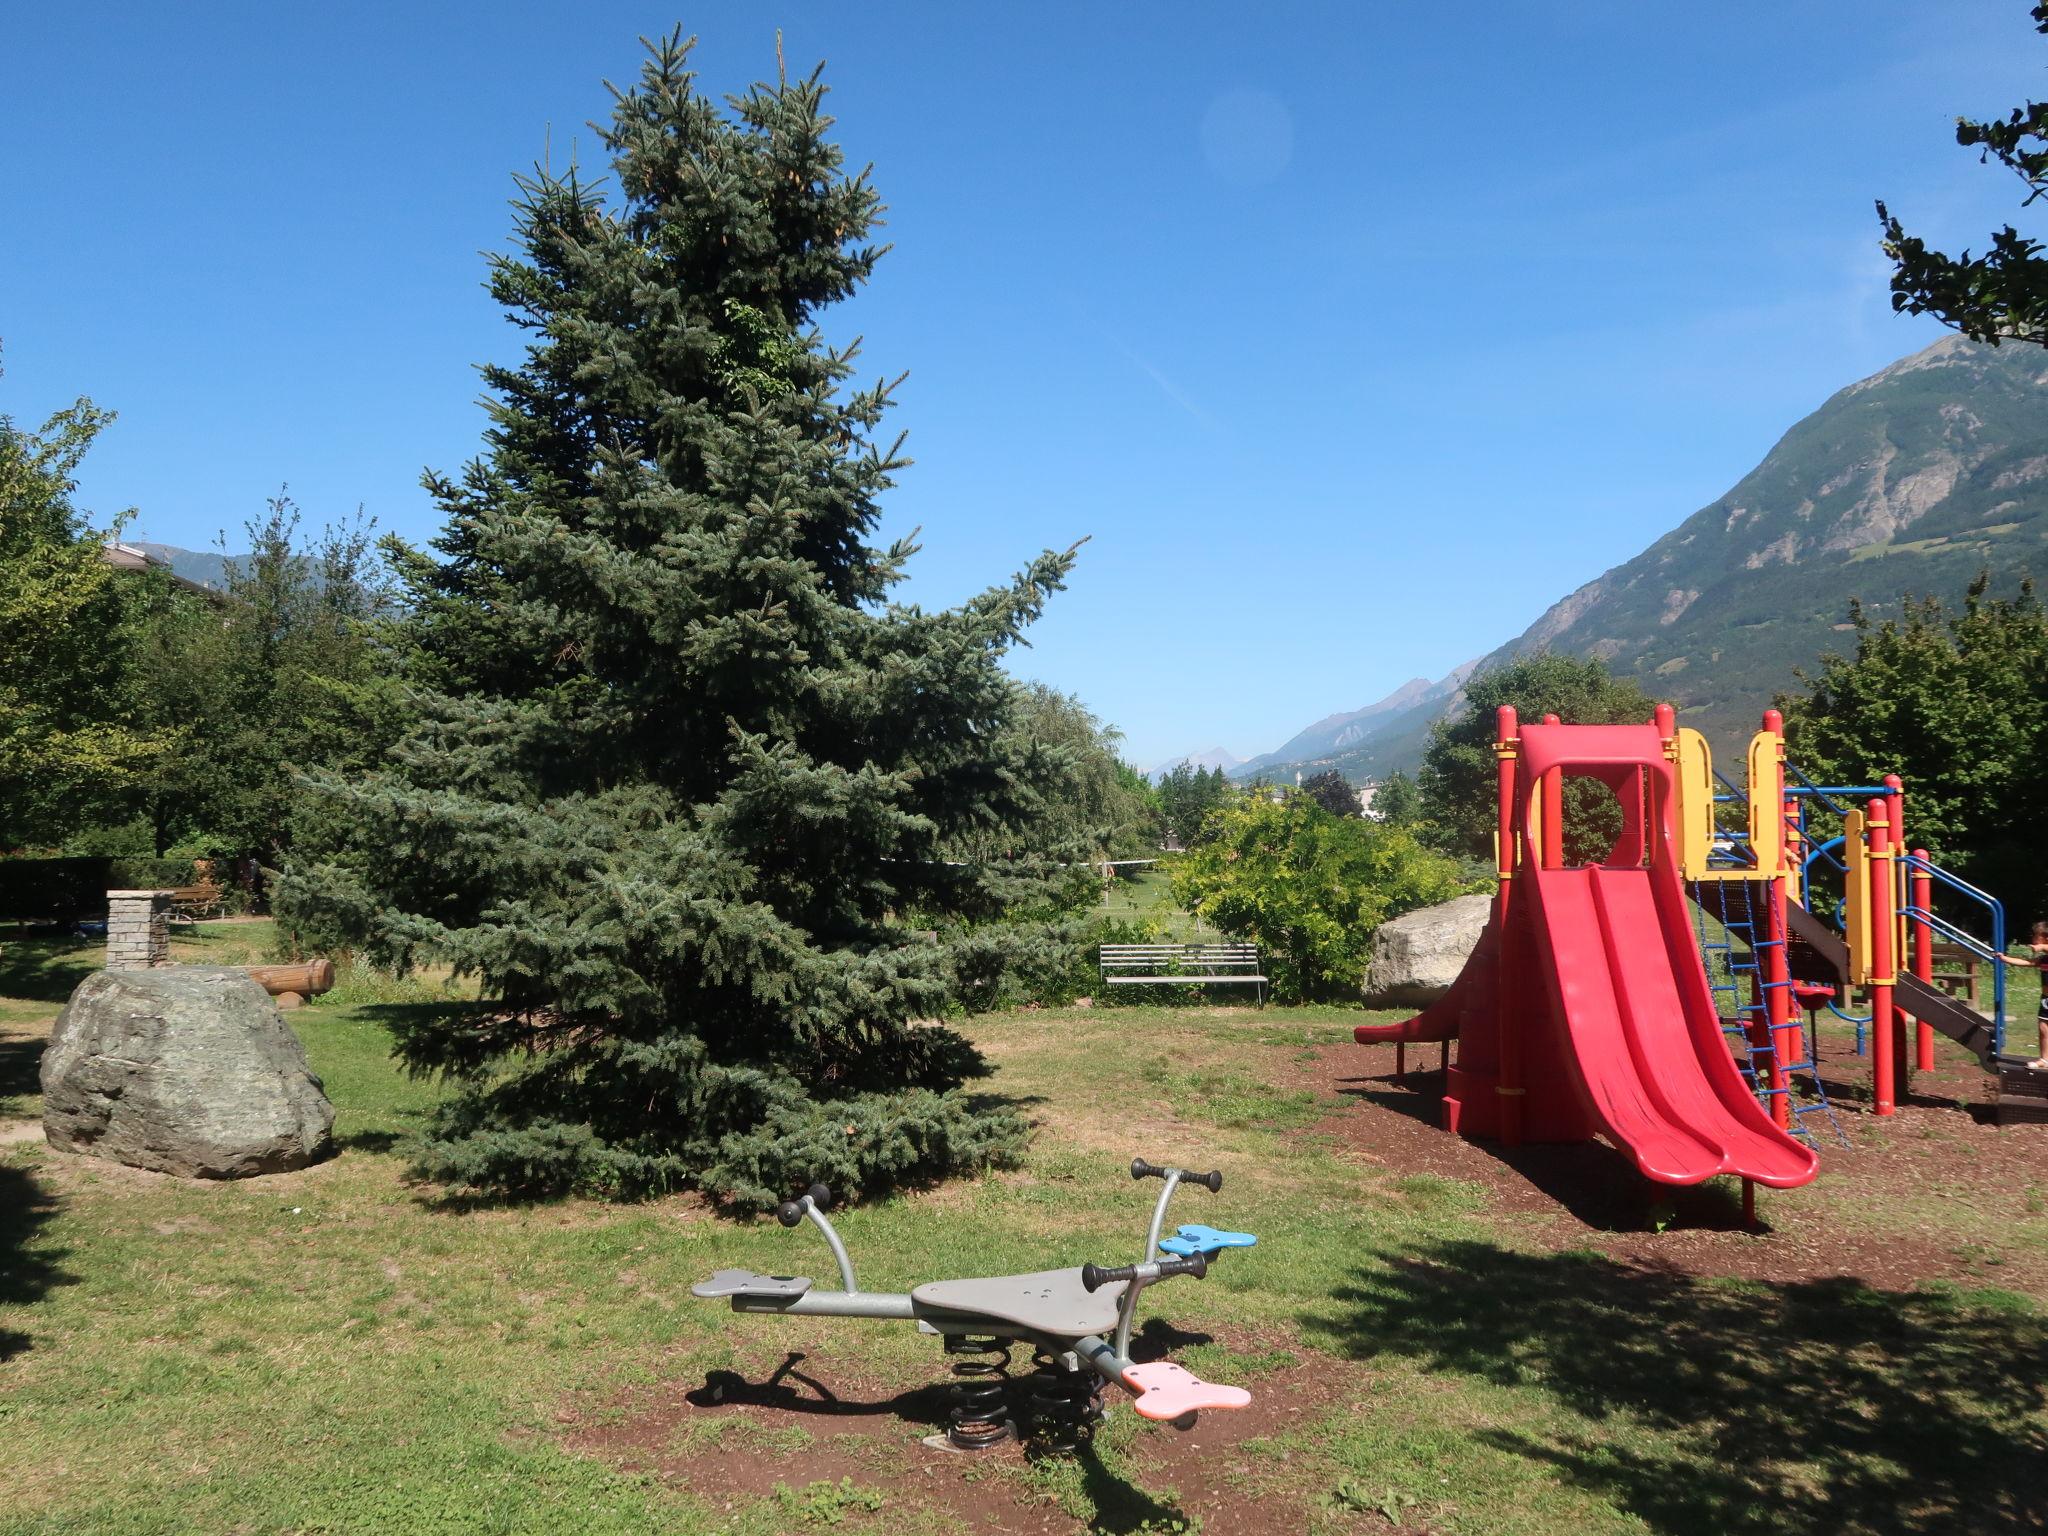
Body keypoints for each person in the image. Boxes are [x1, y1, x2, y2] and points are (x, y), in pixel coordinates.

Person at [1993, 921, 2048, 1069]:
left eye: (2035, 936)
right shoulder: (2043, 959)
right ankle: (2044, 1059)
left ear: (2045, 938)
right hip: (2046, 1000)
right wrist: (2004, 959)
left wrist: (2042, 947)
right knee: (2043, 1028)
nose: (2032, 938)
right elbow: (2025, 962)